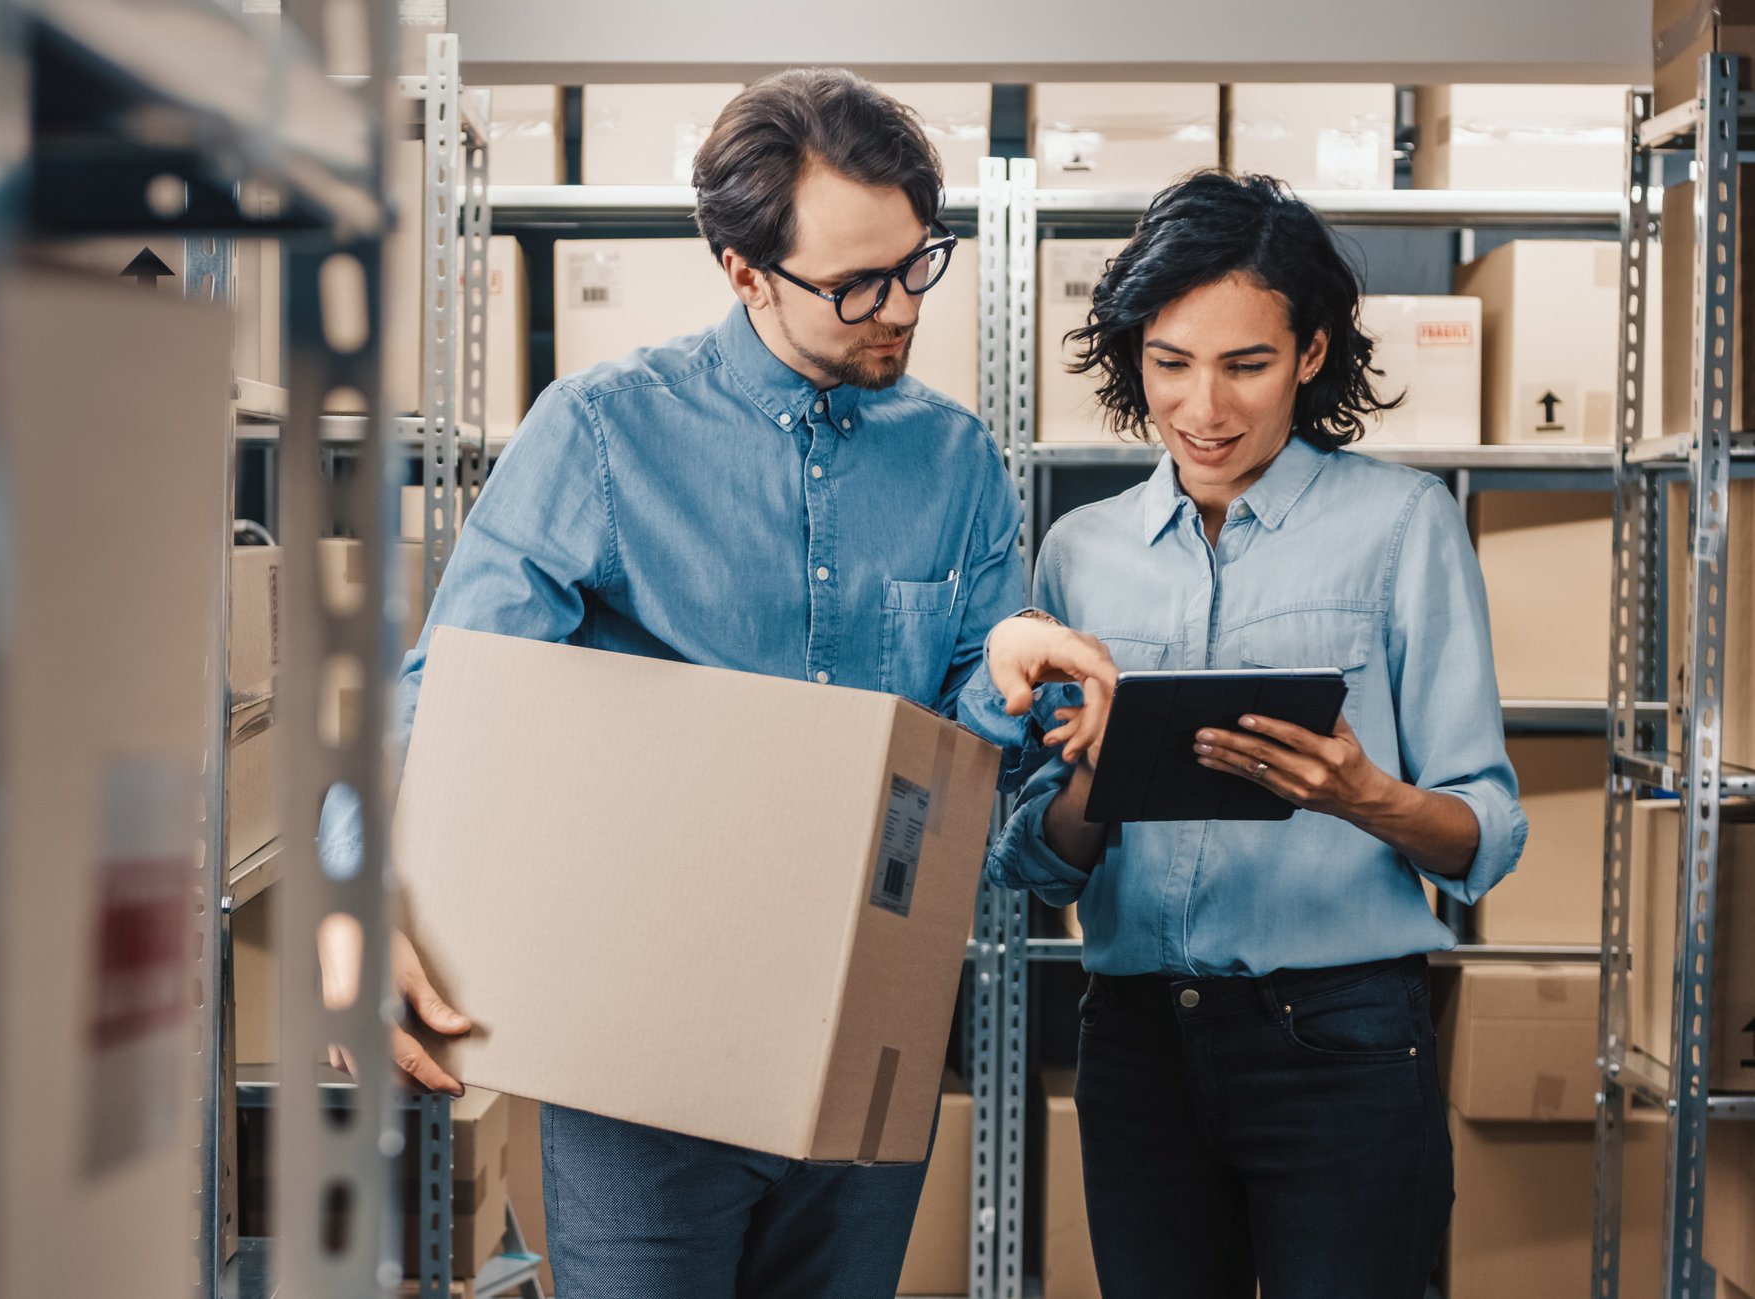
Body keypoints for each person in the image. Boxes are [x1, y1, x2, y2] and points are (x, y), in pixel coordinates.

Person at [317, 68, 1117, 1299]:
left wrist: (1003, 683)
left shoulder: (955, 462)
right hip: (643, 1053)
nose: (897, 308)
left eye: (916, 264)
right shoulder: (597, 434)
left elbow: (966, 769)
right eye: (852, 284)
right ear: (740, 270)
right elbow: (444, 699)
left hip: (866, 1036)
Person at [983, 171, 1528, 1299]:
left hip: (1338, 1037)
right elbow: (1036, 864)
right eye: (1169, 363)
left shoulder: (1398, 525)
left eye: (1245, 364)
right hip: (1134, 1043)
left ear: (1312, 354)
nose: (1203, 410)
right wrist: (1088, 773)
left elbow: (1483, 833)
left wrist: (1358, 795)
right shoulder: (1079, 553)